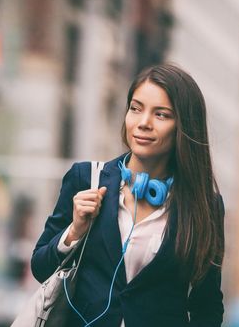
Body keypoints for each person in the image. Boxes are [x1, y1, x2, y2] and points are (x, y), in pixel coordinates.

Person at [30, 64, 225, 326]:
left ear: (183, 126)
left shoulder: (204, 206)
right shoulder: (86, 179)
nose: (143, 123)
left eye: (161, 114)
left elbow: (207, 306)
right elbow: (40, 268)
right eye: (136, 108)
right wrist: (74, 231)